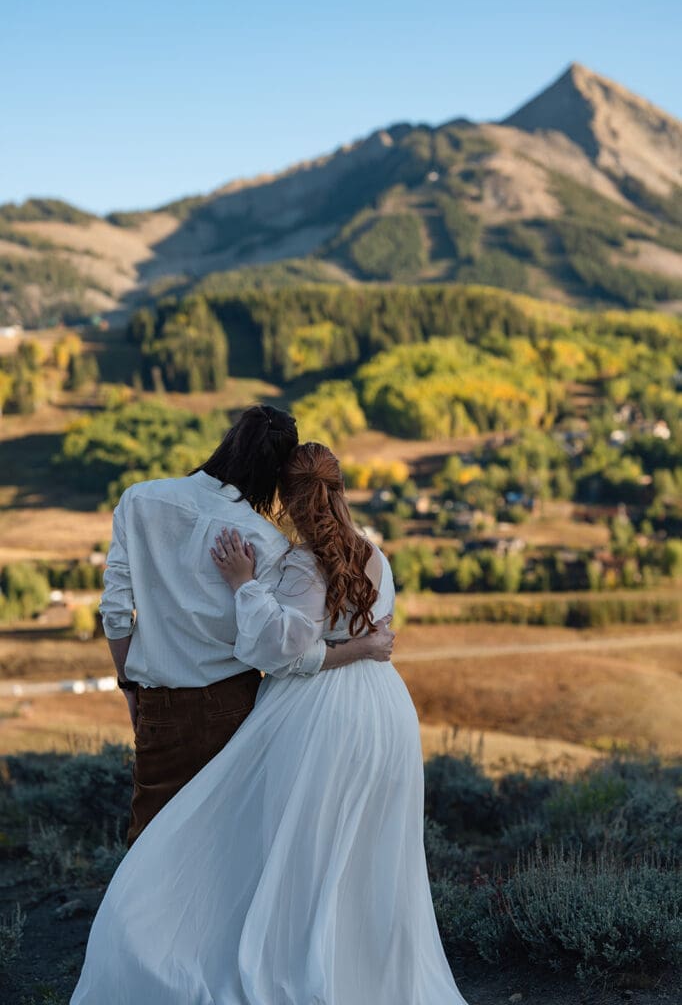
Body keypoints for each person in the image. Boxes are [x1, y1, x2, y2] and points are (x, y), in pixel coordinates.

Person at [71, 443, 468, 1005]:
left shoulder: (302, 565)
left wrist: (243, 585)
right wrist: (363, 645)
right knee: (369, 855)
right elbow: (373, 634)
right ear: (341, 490)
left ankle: (300, 969)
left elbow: (280, 652)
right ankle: (367, 977)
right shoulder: (376, 555)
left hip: (319, 716)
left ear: (287, 499)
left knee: (292, 850)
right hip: (385, 717)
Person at [100, 406, 393, 845]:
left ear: (231, 441)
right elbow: (281, 645)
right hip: (234, 702)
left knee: (150, 843)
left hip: (158, 704)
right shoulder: (265, 541)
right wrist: (361, 649)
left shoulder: (138, 501)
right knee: (230, 847)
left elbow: (116, 612)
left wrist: (130, 687)